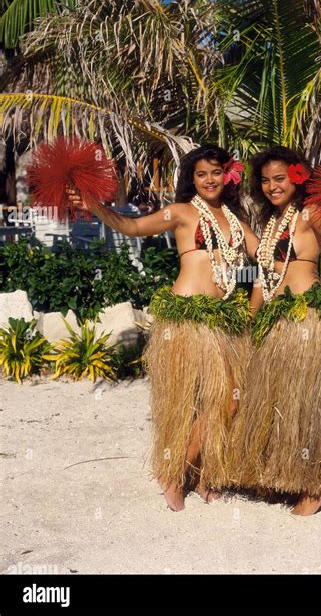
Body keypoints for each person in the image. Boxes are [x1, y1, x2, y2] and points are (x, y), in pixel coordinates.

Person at [66, 144, 260, 511]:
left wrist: (320, 225)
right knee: (189, 401)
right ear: (192, 180)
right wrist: (94, 205)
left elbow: (267, 255)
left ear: (227, 176)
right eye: (200, 174)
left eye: (215, 172)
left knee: (227, 400)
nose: (209, 180)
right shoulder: (183, 213)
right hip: (185, 316)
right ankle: (177, 474)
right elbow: (134, 226)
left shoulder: (237, 222)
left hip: (222, 319)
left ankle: (201, 472)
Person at [227, 146, 321, 516]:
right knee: (279, 402)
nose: (271, 186)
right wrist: (250, 317)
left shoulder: (309, 213)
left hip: (308, 318)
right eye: (264, 180)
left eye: (279, 179)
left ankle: (319, 483)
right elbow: (262, 277)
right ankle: (287, 474)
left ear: (296, 177)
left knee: (310, 402)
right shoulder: (273, 222)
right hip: (276, 320)